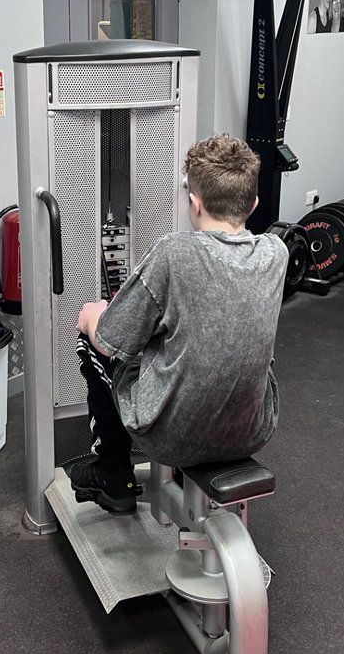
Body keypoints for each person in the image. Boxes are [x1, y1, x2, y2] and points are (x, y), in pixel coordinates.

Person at [69, 133, 289, 515]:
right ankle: (188, 475)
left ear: (194, 202)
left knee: (91, 341)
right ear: (253, 204)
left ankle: (114, 475)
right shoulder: (277, 253)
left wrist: (92, 317)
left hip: (170, 439)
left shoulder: (174, 253)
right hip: (252, 430)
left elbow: (110, 340)